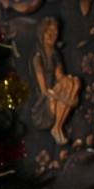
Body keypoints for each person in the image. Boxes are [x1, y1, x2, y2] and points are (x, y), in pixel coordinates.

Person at [31, 16, 81, 146]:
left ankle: (58, 127)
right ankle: (57, 127)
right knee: (63, 90)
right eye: (49, 32)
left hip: (56, 91)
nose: (53, 36)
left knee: (73, 81)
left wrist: (72, 82)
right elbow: (44, 90)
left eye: (55, 33)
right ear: (42, 33)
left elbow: (60, 76)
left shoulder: (55, 54)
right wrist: (66, 99)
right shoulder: (37, 58)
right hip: (45, 101)